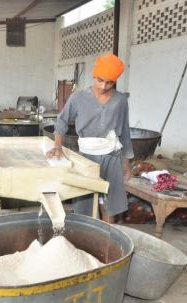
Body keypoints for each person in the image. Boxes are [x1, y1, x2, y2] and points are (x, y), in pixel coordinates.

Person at [46, 53, 133, 223]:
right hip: (86, 158)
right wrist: (57, 145)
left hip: (112, 157)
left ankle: (108, 240)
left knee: (110, 204)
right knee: (84, 204)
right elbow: (62, 121)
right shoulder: (79, 97)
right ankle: (86, 240)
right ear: (94, 75)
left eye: (109, 82)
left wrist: (126, 163)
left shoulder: (120, 100)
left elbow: (124, 131)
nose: (103, 85)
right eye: (100, 80)